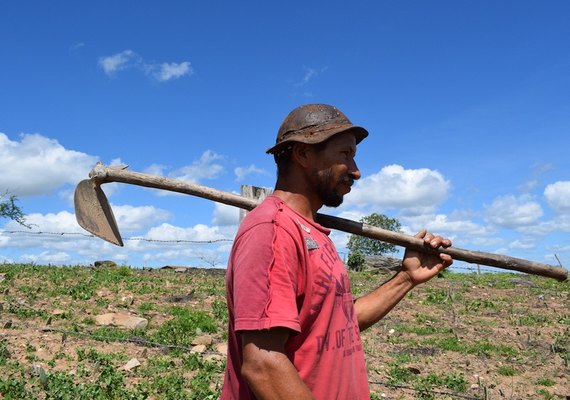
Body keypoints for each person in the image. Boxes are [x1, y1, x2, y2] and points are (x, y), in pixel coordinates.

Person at [220, 104, 453, 399]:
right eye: (345, 155)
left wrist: (406, 278)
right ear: (303, 154)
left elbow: (338, 323)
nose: (356, 172)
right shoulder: (273, 230)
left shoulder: (312, 231)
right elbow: (263, 364)